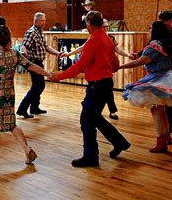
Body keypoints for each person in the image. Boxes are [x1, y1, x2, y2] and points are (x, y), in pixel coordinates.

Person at [50, 11, 131, 168]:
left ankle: (91, 157)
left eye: (86, 24)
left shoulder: (94, 41)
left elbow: (79, 66)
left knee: (87, 120)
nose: (86, 27)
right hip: (105, 84)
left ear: (89, 24)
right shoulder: (107, 39)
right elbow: (115, 64)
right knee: (93, 118)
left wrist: (58, 76)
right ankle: (119, 142)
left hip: (97, 86)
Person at [120, 21, 172, 153]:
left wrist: (121, 66)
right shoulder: (167, 43)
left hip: (160, 78)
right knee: (161, 109)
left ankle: (161, 141)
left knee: (156, 110)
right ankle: (166, 137)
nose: (149, 30)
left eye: (151, 28)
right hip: (169, 76)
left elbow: (142, 61)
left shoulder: (154, 45)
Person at [0, 25, 50, 166]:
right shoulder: (15, 54)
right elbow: (31, 65)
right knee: (12, 124)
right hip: (9, 96)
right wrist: (46, 73)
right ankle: (27, 150)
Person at [60, 19, 130, 120]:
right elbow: (82, 48)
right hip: (96, 76)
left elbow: (117, 50)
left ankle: (111, 111)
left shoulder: (110, 38)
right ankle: (91, 107)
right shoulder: (93, 38)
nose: (105, 28)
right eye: (104, 27)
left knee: (107, 93)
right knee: (96, 93)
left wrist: (128, 55)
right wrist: (69, 54)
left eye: (107, 27)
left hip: (105, 74)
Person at [17, 12, 61, 118]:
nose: (44, 23)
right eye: (42, 21)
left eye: (45, 21)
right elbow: (23, 45)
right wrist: (23, 52)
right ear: (35, 21)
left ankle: (34, 108)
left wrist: (58, 53)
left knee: (38, 85)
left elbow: (46, 47)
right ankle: (22, 109)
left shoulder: (40, 32)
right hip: (33, 63)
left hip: (39, 63)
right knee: (38, 85)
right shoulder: (31, 32)